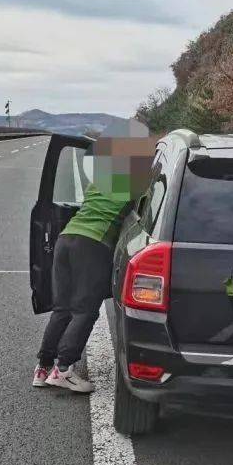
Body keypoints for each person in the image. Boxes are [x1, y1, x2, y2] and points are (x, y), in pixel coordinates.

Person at [33, 123, 154, 393]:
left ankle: (42, 367)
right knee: (85, 309)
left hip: (66, 238)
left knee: (62, 308)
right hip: (93, 244)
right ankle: (63, 369)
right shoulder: (137, 184)